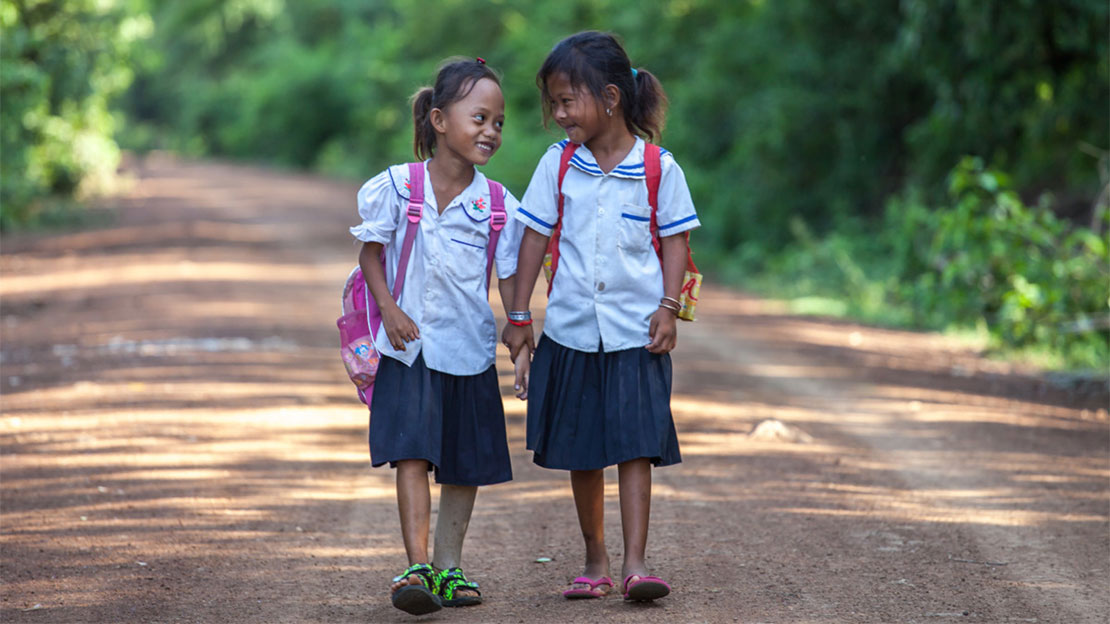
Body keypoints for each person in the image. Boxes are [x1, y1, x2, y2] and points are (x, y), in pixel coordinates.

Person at [503, 31, 701, 603]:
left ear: (610, 97)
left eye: (568, 101)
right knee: (583, 450)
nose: (559, 114)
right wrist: (519, 314)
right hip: (568, 332)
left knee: (636, 445)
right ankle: (596, 561)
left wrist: (668, 309)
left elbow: (674, 242)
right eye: (554, 103)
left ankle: (638, 564)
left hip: (636, 333)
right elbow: (534, 237)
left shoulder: (659, 168)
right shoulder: (557, 165)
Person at [350, 57, 526, 616]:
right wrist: (389, 309)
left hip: (469, 353)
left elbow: (508, 282)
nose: (491, 131)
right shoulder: (399, 187)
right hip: (409, 349)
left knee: (462, 464)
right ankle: (417, 565)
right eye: (479, 117)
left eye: (499, 122)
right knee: (411, 453)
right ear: (439, 119)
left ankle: (450, 567)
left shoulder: (498, 205)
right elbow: (372, 252)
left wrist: (519, 335)